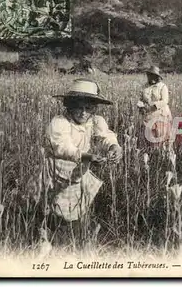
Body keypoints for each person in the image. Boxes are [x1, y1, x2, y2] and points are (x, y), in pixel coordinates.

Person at [39, 78, 123, 247]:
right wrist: (86, 156)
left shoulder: (95, 121)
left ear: (94, 109)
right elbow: (62, 148)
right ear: (69, 106)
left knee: (78, 208)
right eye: (79, 107)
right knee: (59, 210)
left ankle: (74, 241)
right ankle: (57, 243)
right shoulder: (59, 123)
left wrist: (114, 146)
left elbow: (106, 136)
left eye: (89, 108)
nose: (83, 113)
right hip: (57, 171)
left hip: (79, 171)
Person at [137, 66, 173, 149]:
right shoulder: (144, 86)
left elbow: (165, 101)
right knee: (151, 136)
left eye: (152, 75)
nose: (150, 77)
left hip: (161, 114)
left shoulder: (162, 87)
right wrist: (140, 106)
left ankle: (164, 153)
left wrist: (153, 105)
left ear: (157, 77)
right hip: (149, 115)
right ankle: (153, 152)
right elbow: (141, 99)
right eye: (149, 75)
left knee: (162, 134)